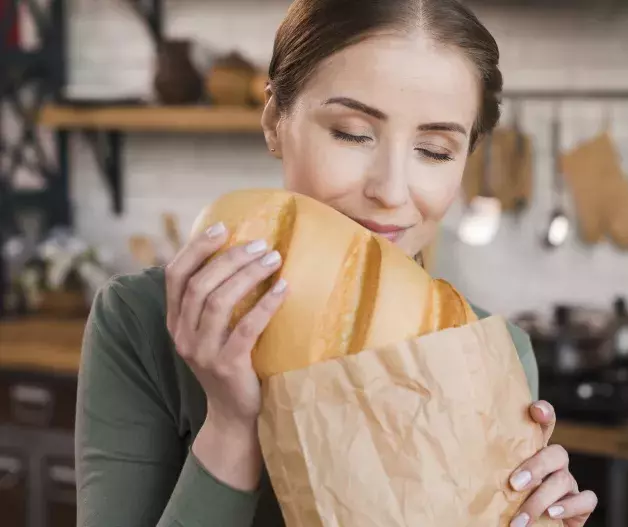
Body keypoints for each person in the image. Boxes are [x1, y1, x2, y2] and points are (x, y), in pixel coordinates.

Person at [75, 1, 598, 526]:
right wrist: (234, 425)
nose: (390, 191)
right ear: (275, 121)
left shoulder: (493, 350)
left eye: (435, 151)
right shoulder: (140, 320)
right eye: (352, 133)